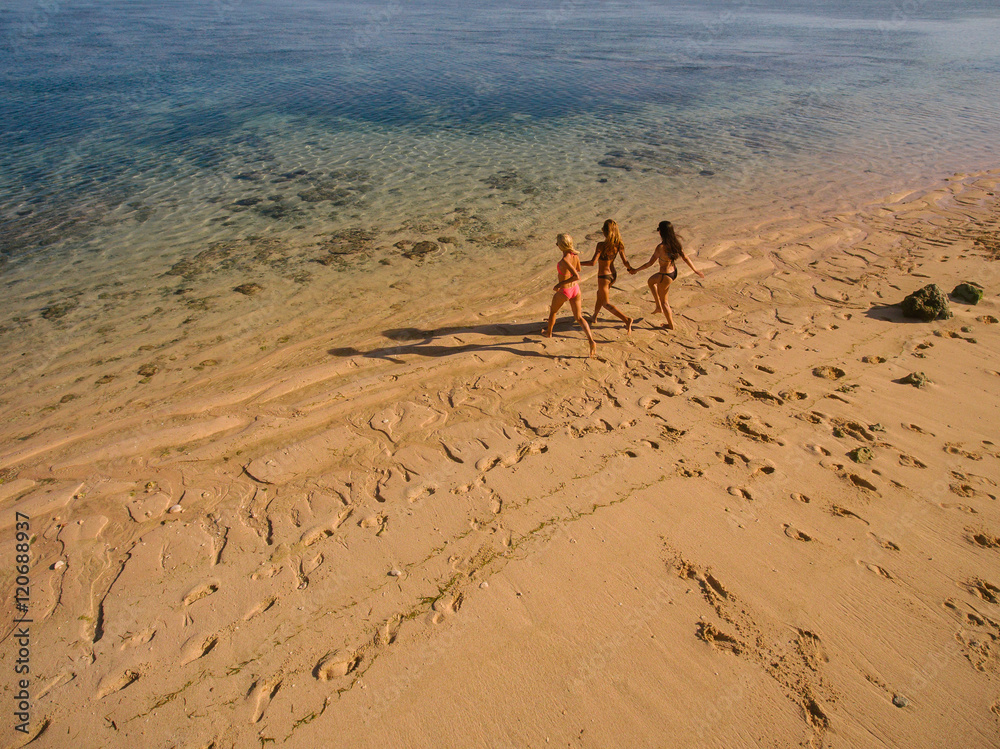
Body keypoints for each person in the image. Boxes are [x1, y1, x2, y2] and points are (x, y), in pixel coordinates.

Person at [630, 220, 705, 329]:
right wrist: (695, 270)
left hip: (665, 276)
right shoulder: (675, 243)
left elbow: (650, 263)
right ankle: (658, 307)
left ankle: (670, 325)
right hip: (673, 272)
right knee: (651, 281)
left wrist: (636, 270)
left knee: (665, 302)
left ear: (661, 232)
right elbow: (685, 257)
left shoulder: (661, 247)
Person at [544, 233, 597, 358]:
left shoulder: (565, 260)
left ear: (560, 246)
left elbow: (577, 276)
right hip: (575, 290)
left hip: (565, 291)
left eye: (557, 243)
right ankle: (591, 340)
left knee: (553, 312)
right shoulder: (575, 256)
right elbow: (578, 268)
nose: (556, 244)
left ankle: (549, 333)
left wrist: (560, 284)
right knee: (579, 317)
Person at [581, 219, 633, 332]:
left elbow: (592, 263)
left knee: (606, 303)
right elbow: (625, 262)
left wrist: (577, 264)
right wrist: (630, 269)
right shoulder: (619, 245)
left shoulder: (601, 245)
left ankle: (626, 319)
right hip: (613, 275)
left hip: (604, 276)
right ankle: (594, 316)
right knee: (600, 294)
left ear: (604, 231)